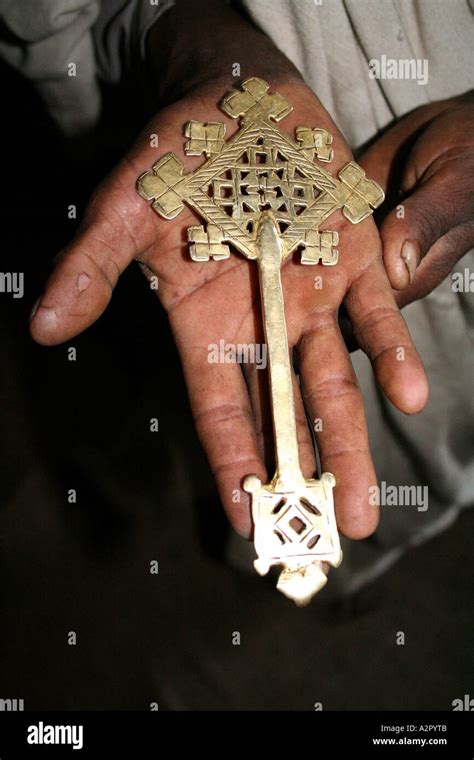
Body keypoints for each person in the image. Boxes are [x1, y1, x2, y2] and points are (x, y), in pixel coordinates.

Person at [5, 0, 473, 593]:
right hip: (262, 255)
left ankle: (379, 555)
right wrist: (197, 39)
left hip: (391, 263)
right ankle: (354, 569)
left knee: (423, 441)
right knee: (288, 429)